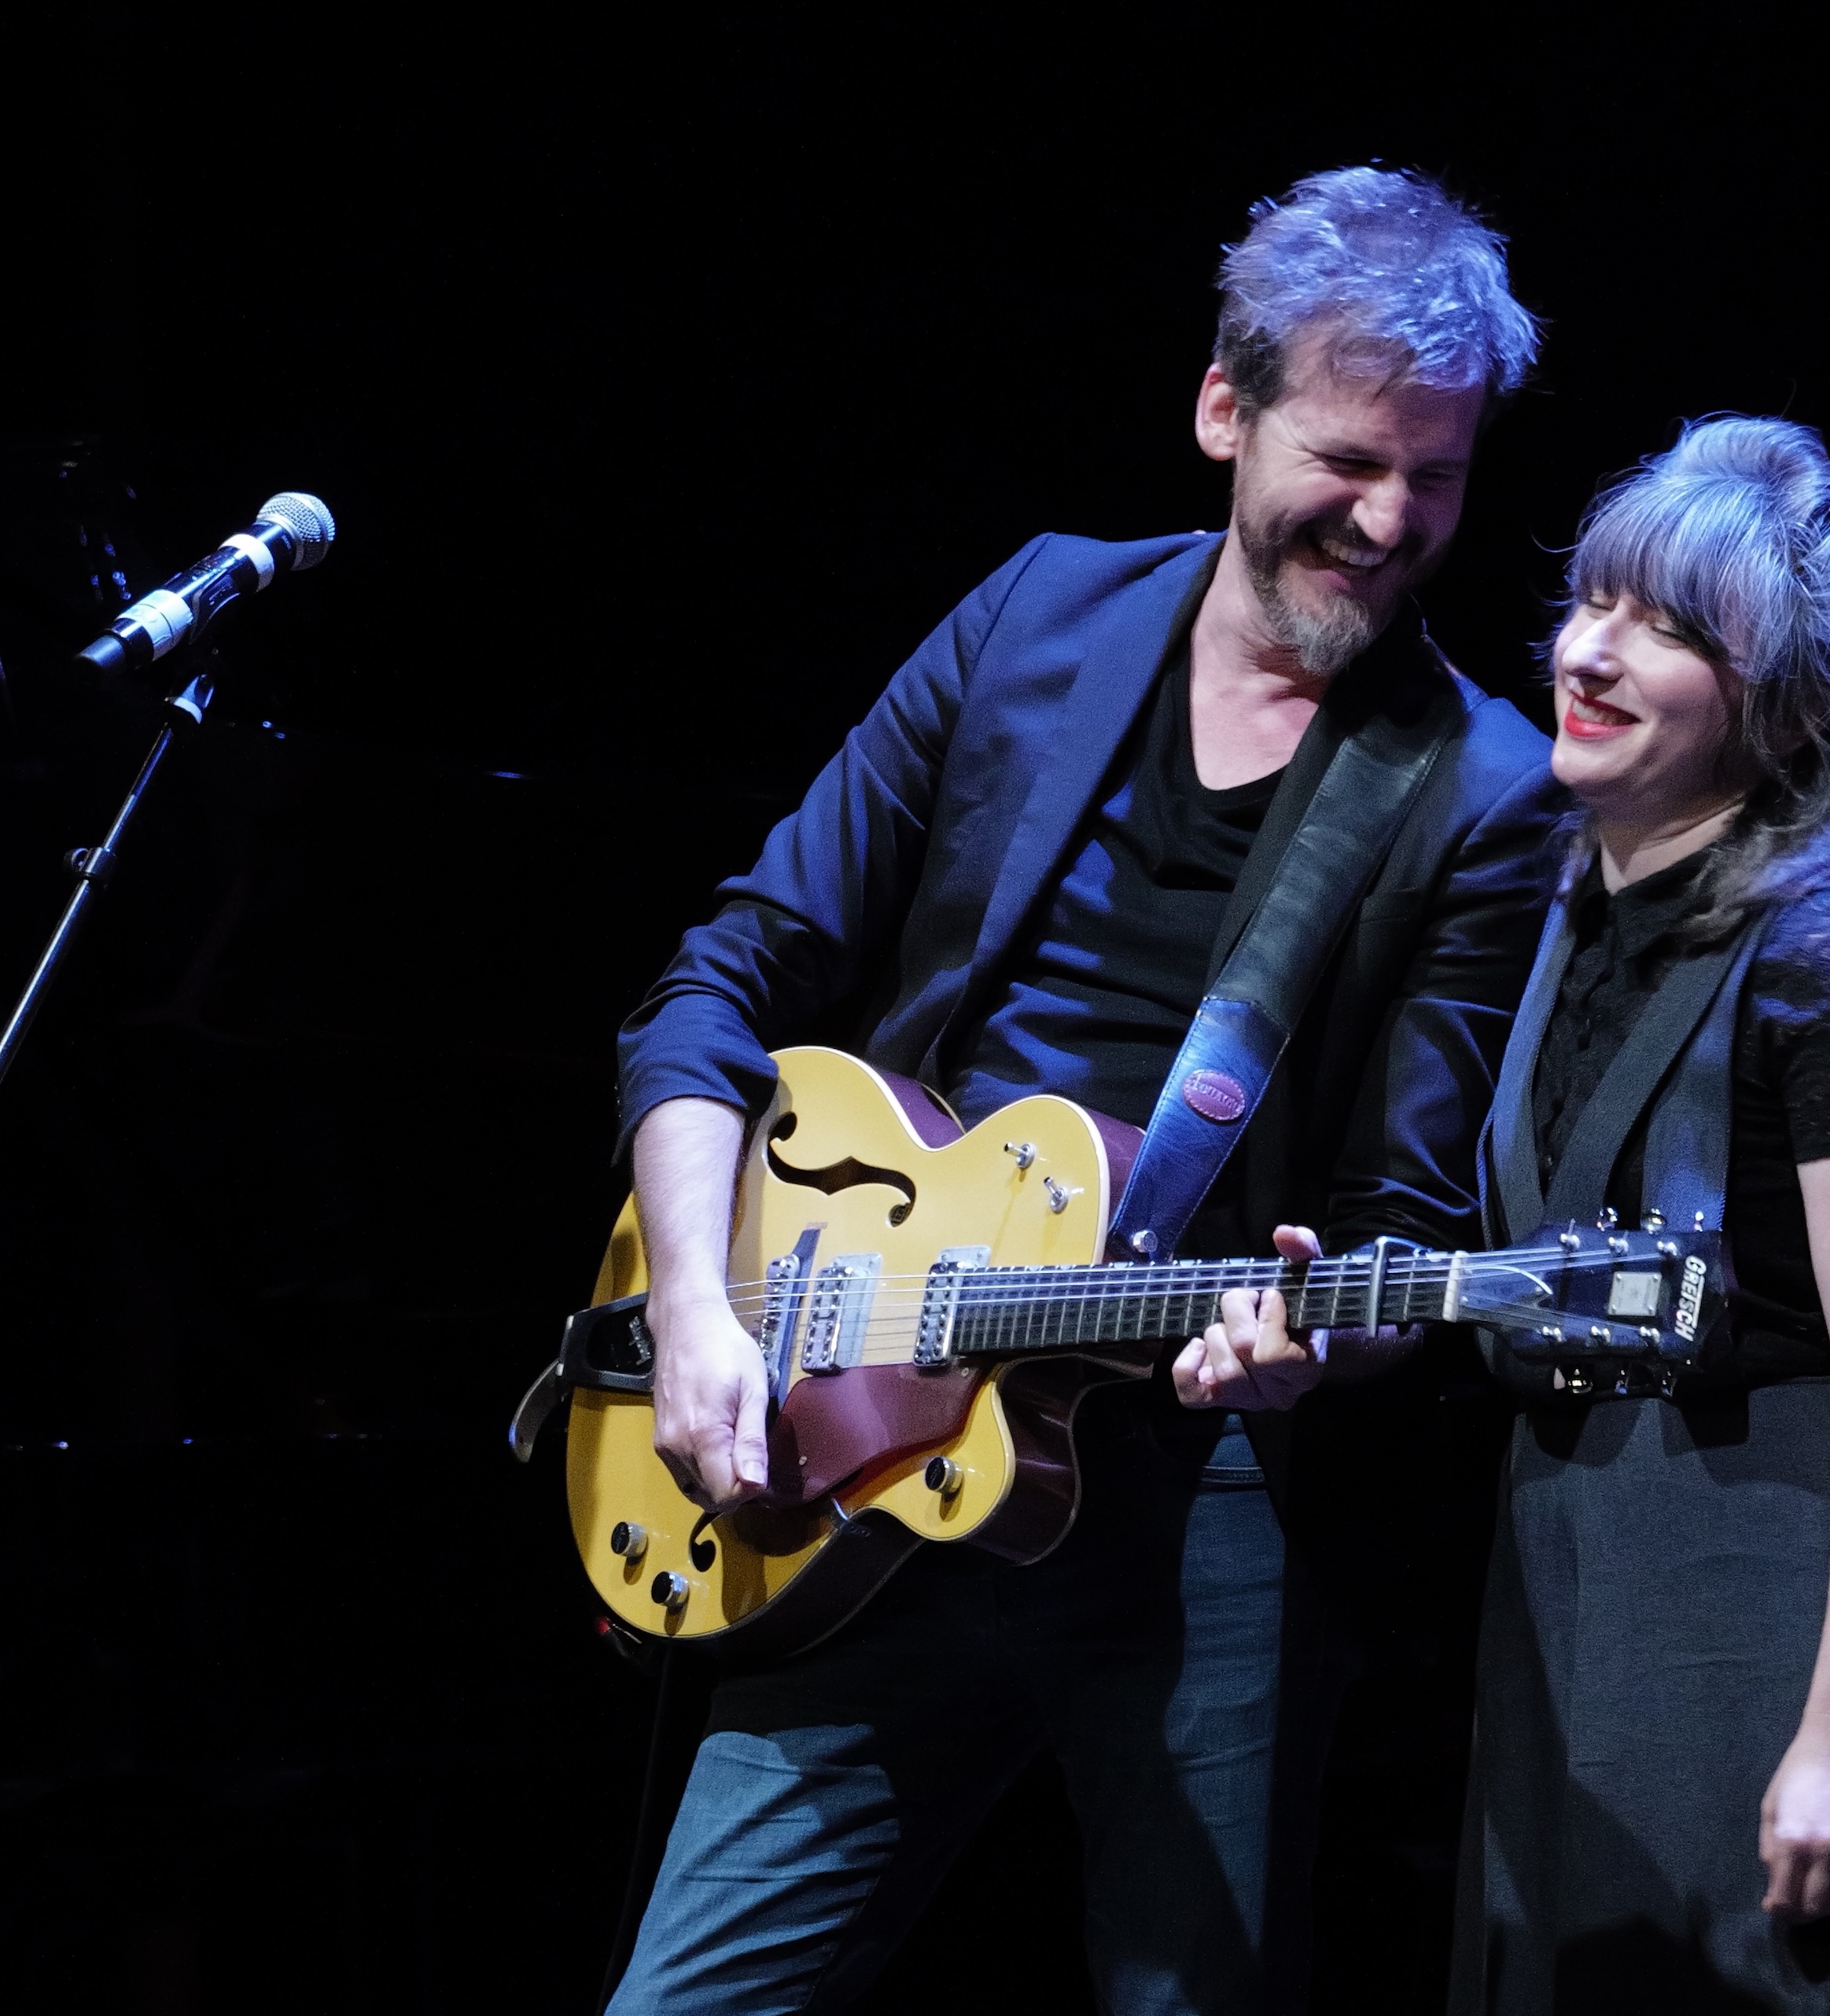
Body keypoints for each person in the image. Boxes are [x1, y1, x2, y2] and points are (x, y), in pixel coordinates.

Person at [605, 167, 1559, 2015]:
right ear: (1224, 410)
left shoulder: (1482, 787)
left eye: (1435, 477)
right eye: (1348, 459)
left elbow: (1404, 1228)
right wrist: (704, 1305)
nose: (1389, 520)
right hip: (866, 1426)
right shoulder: (1038, 613)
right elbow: (724, 977)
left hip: (1204, 1503)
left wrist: (1317, 1341)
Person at [1184, 416, 1830, 2012]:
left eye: (1670, 629)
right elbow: (1528, 1281)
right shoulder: (1567, 916)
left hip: (1776, 1606)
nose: (1591, 650)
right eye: (1597, 600)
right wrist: (1336, 1333)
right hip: (1573, 1599)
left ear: (1784, 710)